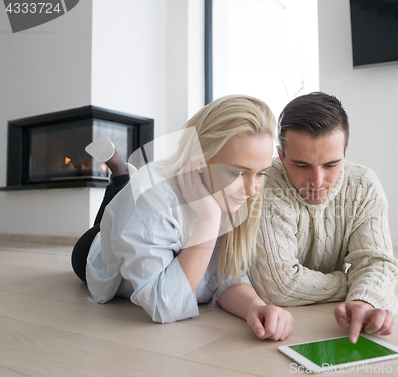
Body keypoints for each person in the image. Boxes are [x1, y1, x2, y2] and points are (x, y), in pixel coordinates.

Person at [71, 95, 294, 341]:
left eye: (261, 173)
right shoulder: (151, 198)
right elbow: (165, 304)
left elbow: (227, 277)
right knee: (103, 226)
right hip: (97, 248)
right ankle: (120, 174)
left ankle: (122, 179)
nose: (252, 189)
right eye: (237, 172)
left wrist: (254, 306)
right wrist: (209, 222)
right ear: (199, 162)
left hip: (136, 223)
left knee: (120, 206)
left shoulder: (235, 196)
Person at [248, 92, 398, 344]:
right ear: (281, 155)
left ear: (345, 150)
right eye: (302, 165)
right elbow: (278, 286)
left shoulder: (364, 185)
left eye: (331, 164)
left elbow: (378, 262)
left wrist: (364, 300)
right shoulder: (266, 181)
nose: (317, 182)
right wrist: (356, 283)